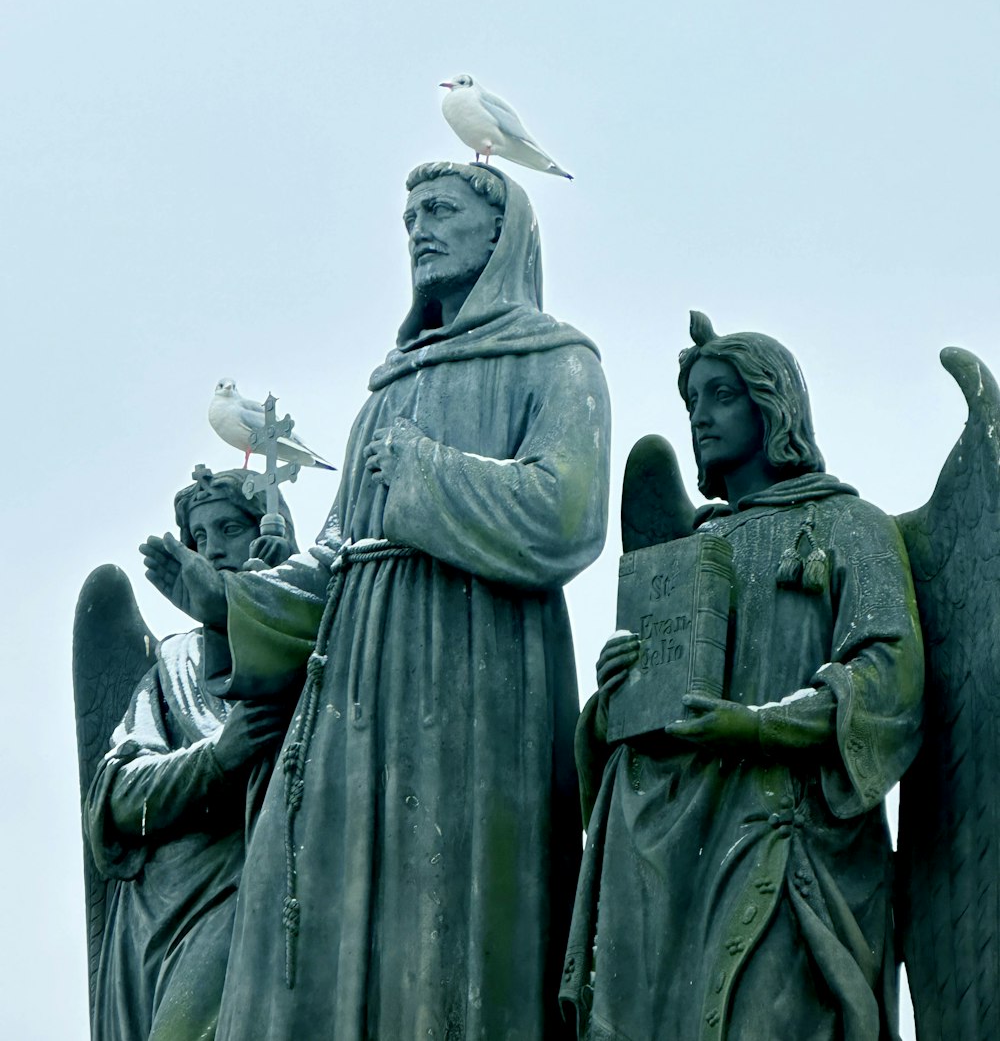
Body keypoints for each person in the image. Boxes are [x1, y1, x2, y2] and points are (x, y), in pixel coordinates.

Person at [141, 162, 612, 1040]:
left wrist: (425, 477)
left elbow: (570, 511)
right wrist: (224, 598)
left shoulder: (557, 360)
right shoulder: (388, 391)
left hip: (478, 683)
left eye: (440, 210)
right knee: (315, 900)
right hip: (357, 699)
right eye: (408, 218)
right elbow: (328, 560)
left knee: (451, 915)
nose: (419, 230)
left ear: (500, 232)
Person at [561, 313, 924, 1041]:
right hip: (669, 858)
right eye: (692, 401)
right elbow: (637, 731)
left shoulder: (851, 525)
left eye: (721, 395)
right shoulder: (691, 547)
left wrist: (758, 724)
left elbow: (889, 680)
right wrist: (612, 701)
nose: (701, 416)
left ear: (773, 404)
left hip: (788, 844)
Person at [86, 468, 297, 1041]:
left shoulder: (322, 640)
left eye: (230, 527)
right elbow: (118, 798)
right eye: (199, 538)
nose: (214, 548)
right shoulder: (173, 666)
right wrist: (216, 759)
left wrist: (285, 604)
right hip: (177, 911)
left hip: (282, 891)